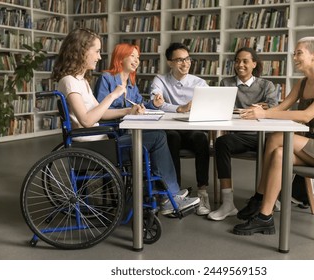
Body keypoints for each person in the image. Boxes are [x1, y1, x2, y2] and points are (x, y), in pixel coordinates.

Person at [52, 28, 199, 216]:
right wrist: (113, 95)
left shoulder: (80, 81)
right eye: (96, 51)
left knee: (155, 137)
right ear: (81, 50)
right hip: (94, 147)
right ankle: (170, 196)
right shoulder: (70, 82)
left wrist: (129, 110)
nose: (99, 57)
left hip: (100, 142)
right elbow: (87, 120)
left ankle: (165, 194)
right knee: (158, 138)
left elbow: (101, 114)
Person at [232, 36, 314, 235]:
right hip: (310, 145)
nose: (294, 57)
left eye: (299, 53)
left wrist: (266, 114)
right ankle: (265, 217)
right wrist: (257, 110)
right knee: (278, 154)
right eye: (294, 53)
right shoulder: (302, 83)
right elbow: (281, 108)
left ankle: (259, 197)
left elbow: (307, 115)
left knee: (276, 138)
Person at [207, 47, 279, 221]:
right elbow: (222, 108)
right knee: (221, 143)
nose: (240, 65)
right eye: (237, 61)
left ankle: (270, 196)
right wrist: (255, 107)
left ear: (254, 64)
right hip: (240, 135)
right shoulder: (226, 83)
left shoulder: (266, 85)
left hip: (264, 135)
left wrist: (255, 108)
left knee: (280, 150)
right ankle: (227, 203)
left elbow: (273, 107)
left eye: (245, 61)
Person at [148, 42, 211, 216]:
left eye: (187, 59)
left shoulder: (199, 83)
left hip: (192, 130)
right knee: (171, 138)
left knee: (201, 138)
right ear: (170, 63)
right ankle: (175, 193)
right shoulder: (160, 80)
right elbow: (155, 100)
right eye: (179, 60)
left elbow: (209, 104)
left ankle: (202, 191)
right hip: (171, 130)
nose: (185, 63)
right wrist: (178, 108)